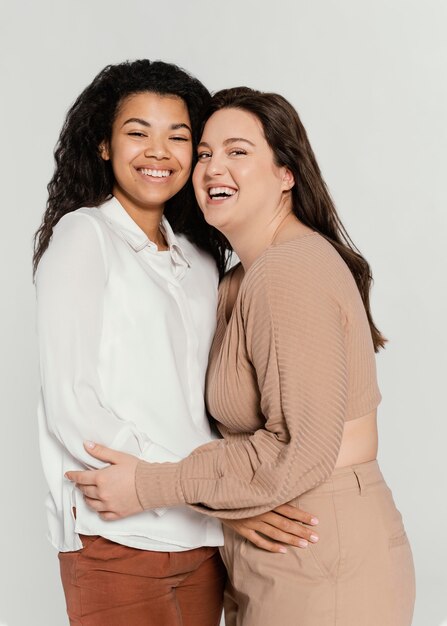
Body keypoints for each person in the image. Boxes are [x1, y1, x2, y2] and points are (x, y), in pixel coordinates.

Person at [67, 86, 416, 626]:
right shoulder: (239, 280)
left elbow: (299, 452)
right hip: (275, 542)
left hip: (317, 542)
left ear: (287, 173)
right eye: (205, 153)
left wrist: (149, 484)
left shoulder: (288, 273)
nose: (212, 168)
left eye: (238, 151)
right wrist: (232, 506)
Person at [34, 64, 317, 626]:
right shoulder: (83, 236)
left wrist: (215, 499)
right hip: (117, 535)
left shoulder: (203, 260)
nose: (157, 151)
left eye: (178, 136)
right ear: (103, 145)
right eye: (137, 133)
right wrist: (200, 491)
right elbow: (75, 406)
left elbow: (214, 408)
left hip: (206, 539)